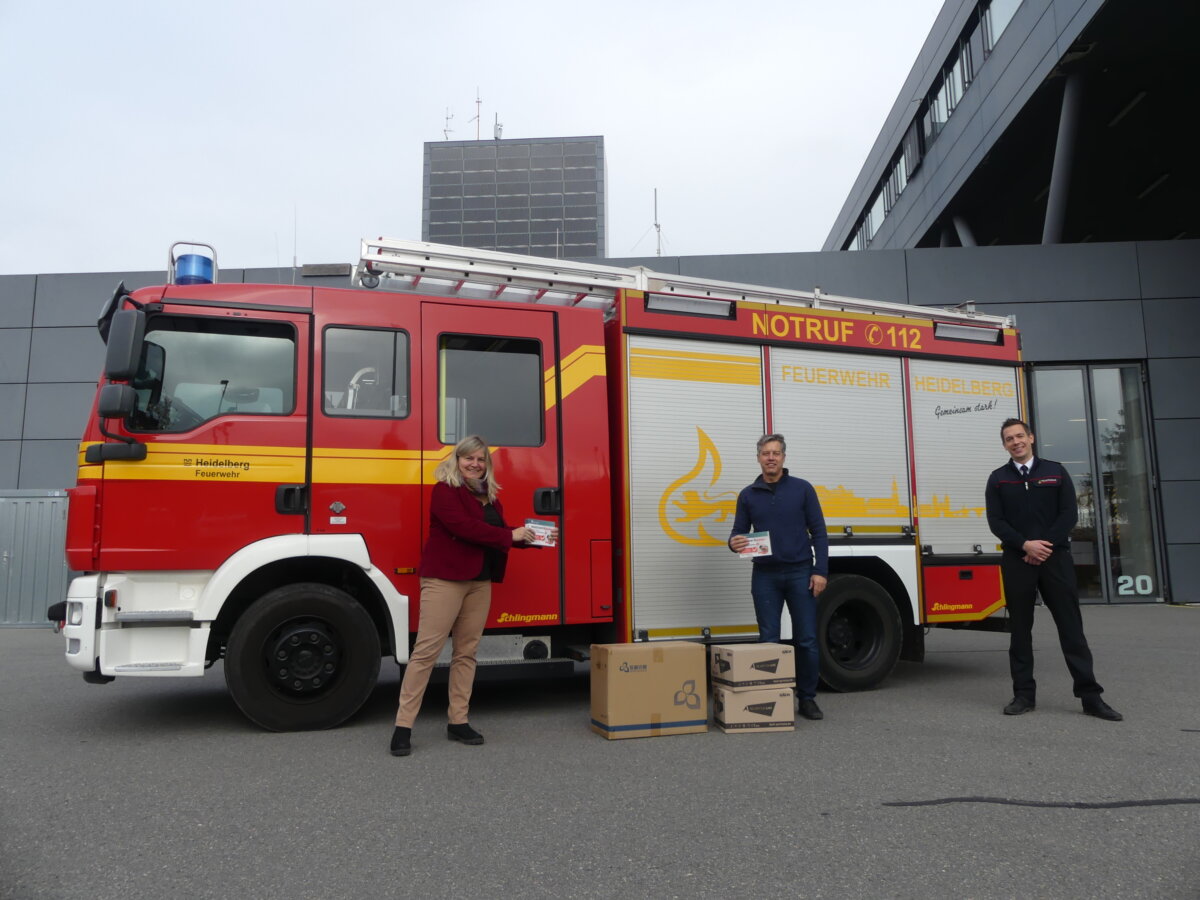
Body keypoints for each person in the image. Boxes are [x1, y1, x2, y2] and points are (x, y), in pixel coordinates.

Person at [390, 435, 545, 756]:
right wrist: (508, 535)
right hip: (444, 579)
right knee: (426, 653)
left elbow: (494, 534)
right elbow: (463, 527)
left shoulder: (490, 497)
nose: (474, 464)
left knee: (466, 652)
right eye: (468, 458)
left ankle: (458, 721)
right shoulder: (444, 491)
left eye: (480, 459)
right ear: (456, 460)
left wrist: (526, 537)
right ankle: (403, 726)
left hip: (479, 581)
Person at [984, 417, 1122, 721]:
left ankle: (1091, 697)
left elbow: (1068, 514)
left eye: (1020, 436)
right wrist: (1025, 546)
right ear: (1004, 444)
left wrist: (1043, 545)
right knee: (1020, 631)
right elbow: (996, 522)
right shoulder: (997, 479)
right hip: (1018, 561)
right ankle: (1023, 695)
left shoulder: (1055, 471)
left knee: (1071, 630)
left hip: (1055, 559)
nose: (1016, 442)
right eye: (1009, 438)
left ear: (1031, 438)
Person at [728, 434, 829, 720]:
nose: (770, 457)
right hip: (765, 576)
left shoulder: (802, 489)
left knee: (806, 639)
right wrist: (733, 542)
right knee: (768, 640)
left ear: (784, 457)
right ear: (758, 457)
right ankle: (771, 698)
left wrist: (820, 571)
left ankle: (807, 699)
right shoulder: (748, 494)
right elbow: (738, 531)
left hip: (800, 573)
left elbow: (819, 533)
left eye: (776, 453)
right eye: (765, 453)